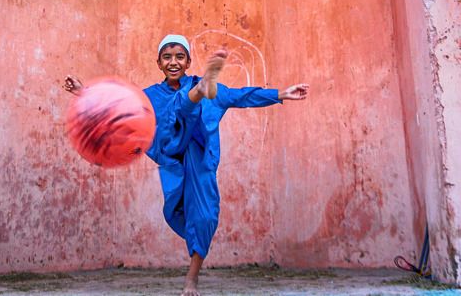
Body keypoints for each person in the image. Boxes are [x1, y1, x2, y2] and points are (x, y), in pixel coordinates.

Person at [62, 33, 309, 296]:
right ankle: (195, 95)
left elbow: (243, 96)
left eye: (179, 56)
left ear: (188, 61)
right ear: (159, 63)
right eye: (167, 57)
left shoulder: (208, 89)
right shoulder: (150, 96)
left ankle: (191, 280)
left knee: (205, 217)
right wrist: (83, 92)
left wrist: (281, 94)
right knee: (180, 111)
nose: (173, 62)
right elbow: (116, 107)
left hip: (198, 156)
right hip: (170, 149)